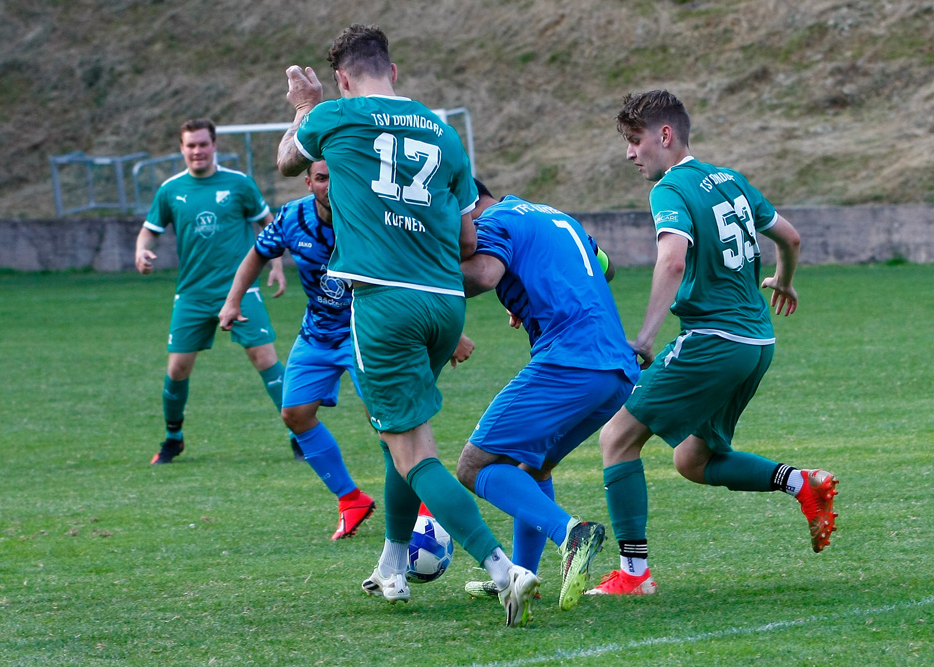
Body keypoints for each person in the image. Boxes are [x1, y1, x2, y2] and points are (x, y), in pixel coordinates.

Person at [275, 24, 540, 627]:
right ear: (393, 71)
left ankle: (503, 568)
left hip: (382, 304)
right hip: (445, 304)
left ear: (343, 78)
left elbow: (290, 161)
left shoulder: (335, 115)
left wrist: (304, 106)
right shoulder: (444, 132)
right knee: (402, 436)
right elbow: (470, 234)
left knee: (414, 451)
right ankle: (394, 564)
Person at [587, 90, 838, 597]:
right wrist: (784, 281)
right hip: (756, 343)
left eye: (636, 142)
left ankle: (634, 575)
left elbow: (672, 261)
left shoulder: (670, 190)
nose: (630, 154)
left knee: (616, 438)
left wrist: (645, 336)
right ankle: (801, 484)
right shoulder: (730, 180)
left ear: (664, 135)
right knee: (693, 460)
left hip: (713, 339)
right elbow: (789, 238)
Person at [455, 180, 641, 612]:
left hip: (572, 361)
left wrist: (415, 278)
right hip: (616, 369)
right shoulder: (553, 214)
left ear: (464, 204)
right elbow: (605, 267)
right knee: (531, 464)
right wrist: (529, 279)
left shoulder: (492, 221)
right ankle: (521, 576)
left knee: (473, 465)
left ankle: (571, 533)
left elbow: (483, 274)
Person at [218, 160, 376, 540]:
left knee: (390, 424)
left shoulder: (373, 217)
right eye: (322, 178)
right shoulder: (292, 217)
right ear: (308, 182)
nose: (330, 186)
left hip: (367, 335)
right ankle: (351, 499)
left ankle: (425, 506)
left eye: (339, 176)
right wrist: (233, 301)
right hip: (317, 334)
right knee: (295, 414)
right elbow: (257, 252)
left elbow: (412, 268)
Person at [136, 118, 289, 465]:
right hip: (192, 293)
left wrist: (277, 263)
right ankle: (173, 438)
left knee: (264, 358)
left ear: (214, 145)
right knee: (177, 369)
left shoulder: (239, 184)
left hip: (240, 290)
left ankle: (301, 433)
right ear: (182, 149)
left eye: (203, 144)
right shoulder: (171, 190)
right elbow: (149, 232)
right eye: (190, 145)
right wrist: (141, 251)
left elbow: (268, 224)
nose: (197, 151)